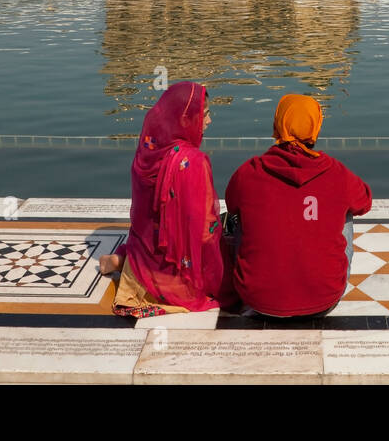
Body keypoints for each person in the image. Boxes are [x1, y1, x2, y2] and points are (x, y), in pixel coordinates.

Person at [224, 94, 372, 319]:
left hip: (258, 301)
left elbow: (232, 204)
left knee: (241, 216)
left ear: (277, 125)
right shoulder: (336, 173)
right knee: (346, 212)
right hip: (324, 301)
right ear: (316, 127)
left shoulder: (249, 172)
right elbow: (365, 202)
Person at [99, 81, 231, 317]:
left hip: (144, 259)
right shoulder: (192, 162)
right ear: (184, 119)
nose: (209, 122)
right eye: (205, 115)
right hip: (179, 277)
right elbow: (204, 233)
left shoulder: (148, 152)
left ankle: (125, 262)